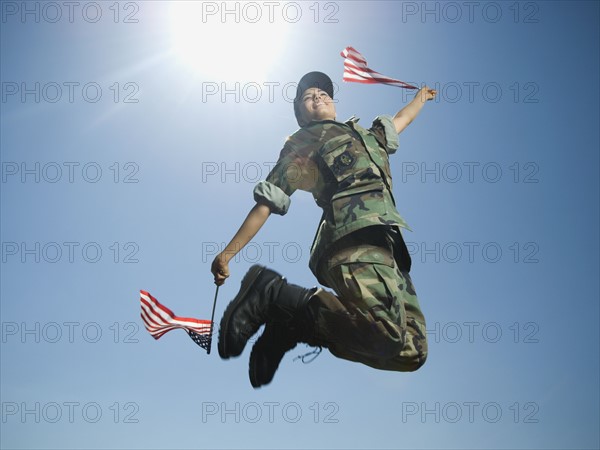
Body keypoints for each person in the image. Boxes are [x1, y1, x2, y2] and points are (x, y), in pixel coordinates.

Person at [211, 71, 436, 388]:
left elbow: (402, 120)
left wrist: (420, 98)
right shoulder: (304, 142)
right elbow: (268, 200)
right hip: (352, 238)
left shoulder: (371, 136)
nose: (317, 96)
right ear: (301, 115)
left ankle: (290, 324)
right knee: (387, 333)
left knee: (411, 351)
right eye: (308, 96)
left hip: (390, 248)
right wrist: (228, 254)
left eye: (323, 92)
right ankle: (273, 294)